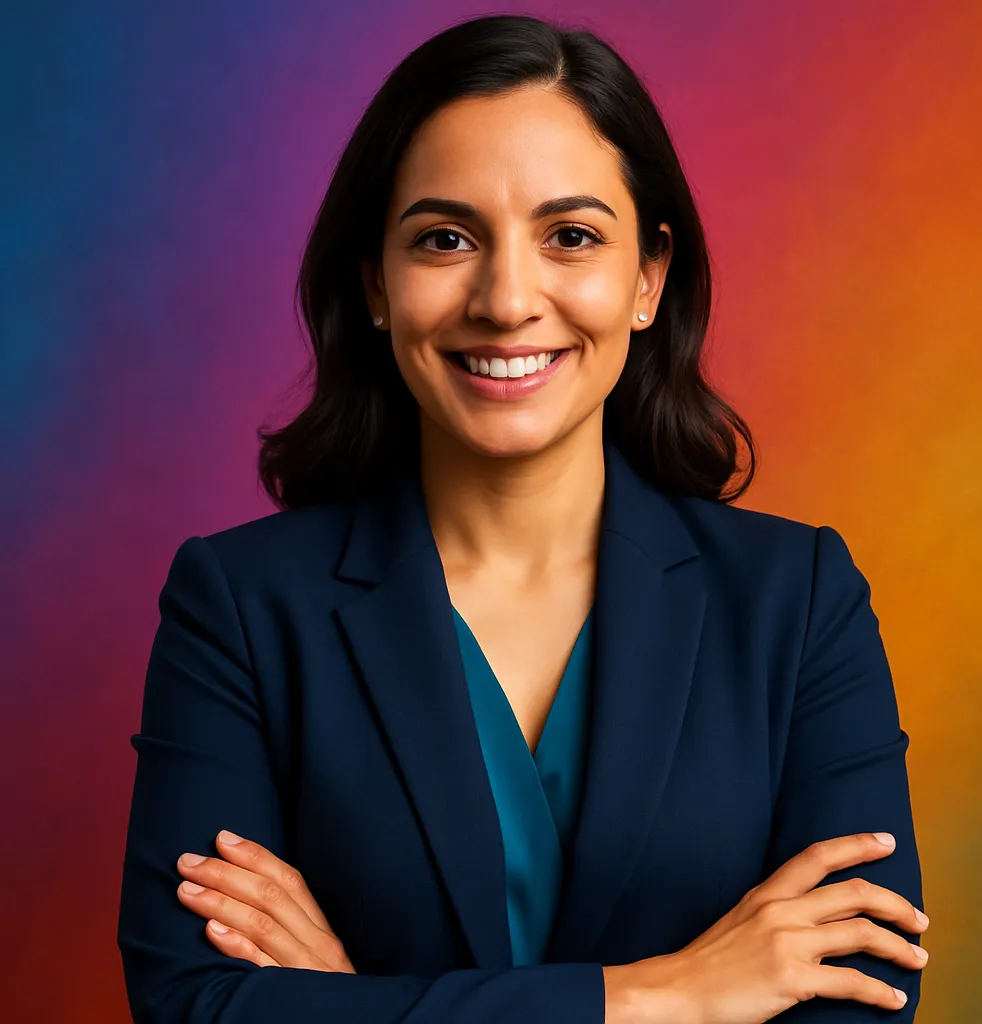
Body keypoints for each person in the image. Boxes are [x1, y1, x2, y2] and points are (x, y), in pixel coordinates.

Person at [117, 13, 927, 1023]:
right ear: (376, 280)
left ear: (647, 278)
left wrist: (358, 1006)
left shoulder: (797, 604)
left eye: (571, 237)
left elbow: (858, 996)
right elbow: (198, 1007)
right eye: (445, 239)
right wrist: (660, 996)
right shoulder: (237, 608)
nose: (506, 300)